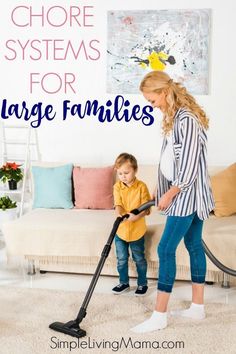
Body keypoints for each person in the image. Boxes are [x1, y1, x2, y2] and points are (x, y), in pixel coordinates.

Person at [131, 71, 214, 333]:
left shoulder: (186, 120)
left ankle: (159, 315)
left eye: (152, 101)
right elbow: (171, 158)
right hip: (183, 192)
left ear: (165, 93)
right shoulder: (174, 117)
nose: (151, 106)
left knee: (166, 249)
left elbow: (188, 169)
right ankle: (198, 308)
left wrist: (170, 193)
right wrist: (161, 185)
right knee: (192, 244)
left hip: (187, 195)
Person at [112, 153, 151, 296]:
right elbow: (118, 204)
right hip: (120, 230)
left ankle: (142, 284)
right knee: (121, 259)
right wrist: (119, 214)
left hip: (137, 231)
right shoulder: (117, 187)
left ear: (135, 170)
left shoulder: (141, 187)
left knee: (139, 258)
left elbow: (146, 208)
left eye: (126, 173)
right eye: (120, 173)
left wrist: (136, 217)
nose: (123, 176)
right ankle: (123, 283)